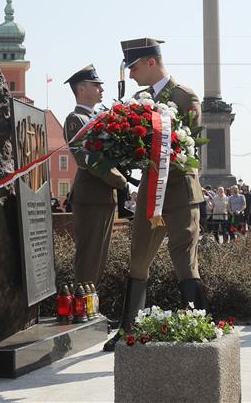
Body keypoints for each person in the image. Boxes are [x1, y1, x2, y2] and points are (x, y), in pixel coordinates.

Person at [104, 38, 207, 351]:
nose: (131, 74)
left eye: (134, 67)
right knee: (138, 261)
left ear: (151, 62)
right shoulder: (139, 100)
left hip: (179, 193)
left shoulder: (184, 96)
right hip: (151, 194)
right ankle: (128, 329)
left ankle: (198, 325)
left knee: (185, 261)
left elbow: (191, 146)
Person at [63, 65, 128, 292]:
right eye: (95, 85)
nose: (101, 89)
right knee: (89, 256)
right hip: (90, 197)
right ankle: (83, 304)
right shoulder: (76, 120)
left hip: (104, 197)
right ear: (81, 89)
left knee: (99, 257)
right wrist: (119, 180)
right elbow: (86, 159)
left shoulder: (98, 118)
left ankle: (91, 304)